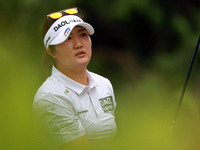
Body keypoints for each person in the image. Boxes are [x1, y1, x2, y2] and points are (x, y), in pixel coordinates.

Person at [32, 7, 117, 150]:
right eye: (67, 38)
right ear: (51, 52)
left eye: (82, 35)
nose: (79, 44)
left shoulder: (104, 84)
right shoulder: (51, 97)